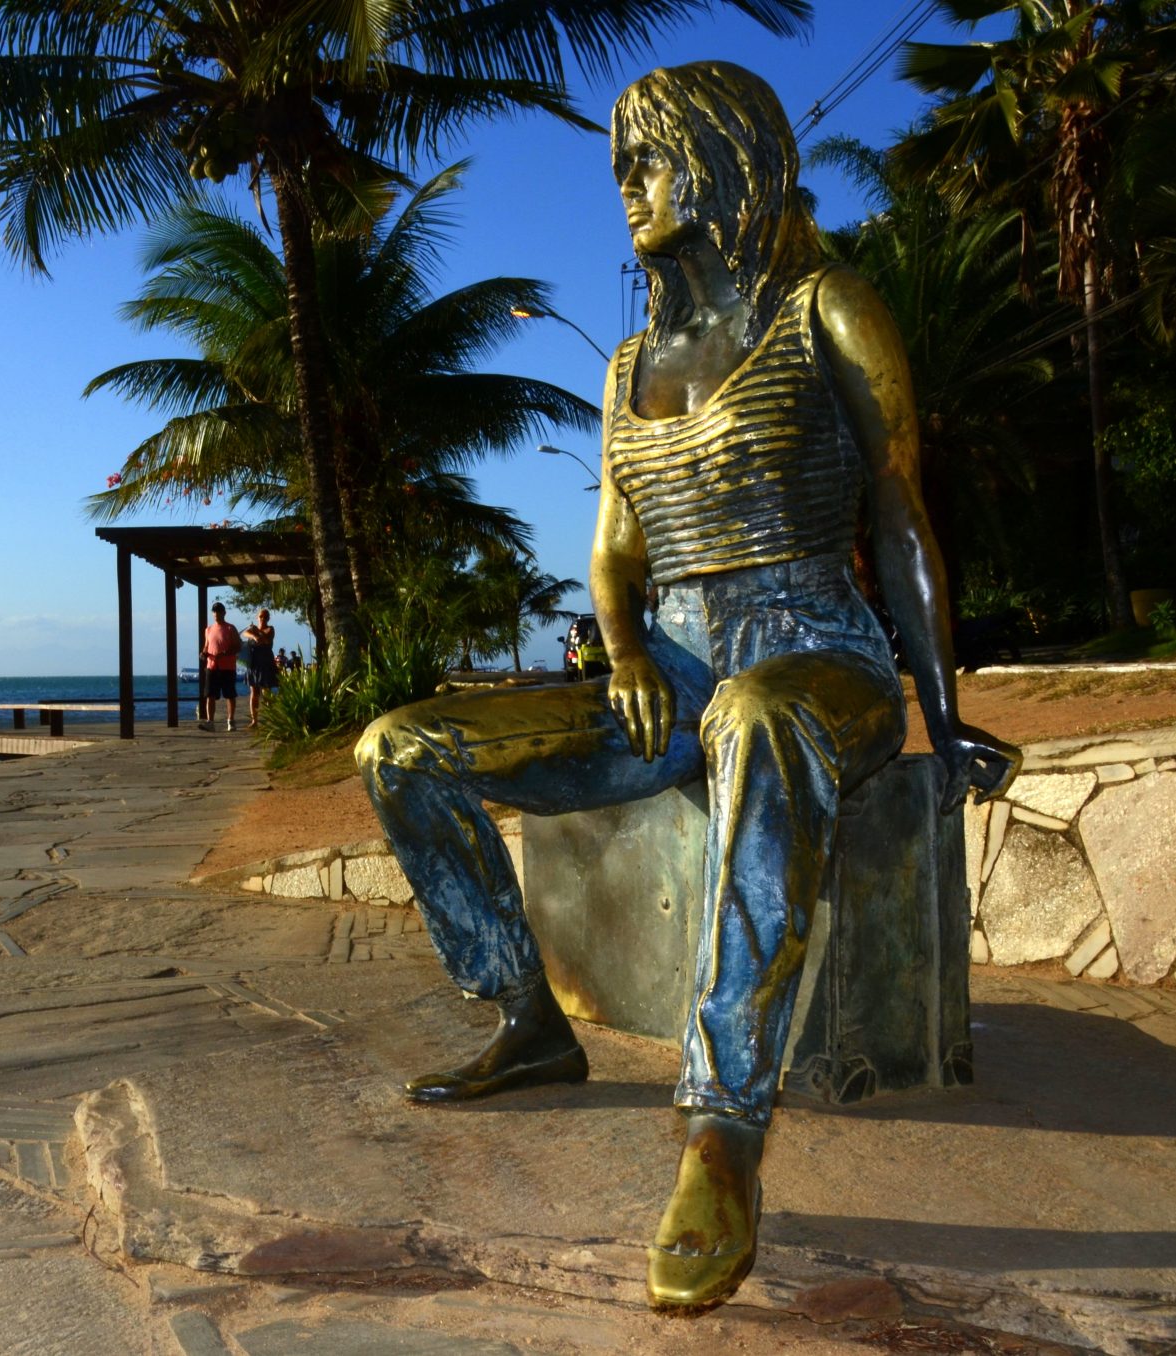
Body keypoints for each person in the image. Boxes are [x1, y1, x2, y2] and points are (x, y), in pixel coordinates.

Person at [353, 62, 1014, 1314]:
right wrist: (619, 651)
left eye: (645, 163)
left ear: (721, 161)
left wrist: (939, 710)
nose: (625, 191)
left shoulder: (829, 306)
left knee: (755, 716)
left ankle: (721, 1130)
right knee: (399, 745)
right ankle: (521, 1016)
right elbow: (613, 542)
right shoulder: (623, 366)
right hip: (666, 660)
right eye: (616, 169)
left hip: (815, 649)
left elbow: (899, 509)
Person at [200, 602, 242, 733]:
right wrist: (203, 653)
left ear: (224, 613)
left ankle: (231, 721)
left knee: (229, 695)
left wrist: (225, 653)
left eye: (219, 611)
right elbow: (206, 646)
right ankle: (210, 722)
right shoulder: (208, 629)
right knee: (210, 695)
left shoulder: (230, 628)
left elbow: (238, 646)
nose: (216, 613)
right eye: (214, 611)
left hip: (227, 667)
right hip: (212, 666)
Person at [239, 608, 282, 728]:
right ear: (257, 617)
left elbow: (267, 640)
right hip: (254, 662)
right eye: (260, 616)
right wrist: (254, 635)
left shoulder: (270, 629)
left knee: (266, 691)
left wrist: (257, 632)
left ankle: (271, 718)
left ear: (268, 618)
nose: (262, 618)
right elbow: (244, 633)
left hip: (265, 662)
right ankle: (254, 720)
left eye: (265, 616)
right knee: (254, 691)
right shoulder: (253, 630)